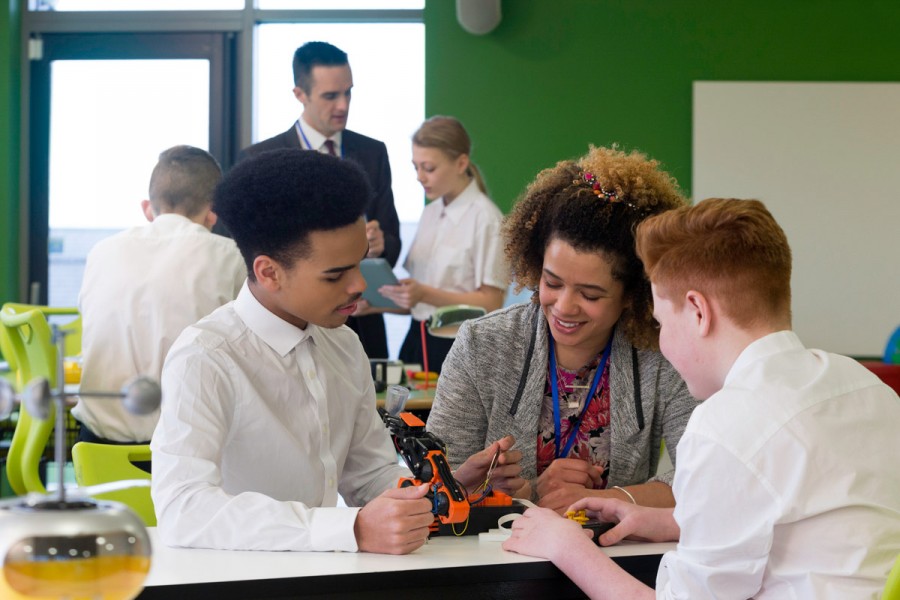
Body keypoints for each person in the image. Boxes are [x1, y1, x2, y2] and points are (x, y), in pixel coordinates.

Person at [502, 198, 900, 598]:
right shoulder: (865, 386)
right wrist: (667, 520)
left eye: (660, 322)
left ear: (697, 311)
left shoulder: (725, 426)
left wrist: (564, 546)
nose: (661, 340)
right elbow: (807, 519)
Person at [151, 148, 521, 553]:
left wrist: (440, 488)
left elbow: (369, 477)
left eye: (360, 263)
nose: (359, 285)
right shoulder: (206, 356)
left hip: (326, 578)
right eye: (335, 275)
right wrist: (350, 530)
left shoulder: (343, 344)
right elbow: (182, 509)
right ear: (268, 272)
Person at [426, 146, 699, 513]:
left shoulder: (663, 355)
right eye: (552, 282)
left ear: (633, 294)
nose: (564, 307)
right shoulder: (482, 344)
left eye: (590, 294)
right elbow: (436, 482)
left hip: (614, 557)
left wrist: (603, 500)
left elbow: (700, 477)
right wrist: (516, 496)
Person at [239, 41, 400, 360]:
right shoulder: (260, 160)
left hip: (361, 327)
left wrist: (380, 245)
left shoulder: (373, 152)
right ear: (300, 94)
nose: (343, 104)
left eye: (348, 92)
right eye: (330, 96)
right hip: (288, 330)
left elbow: (394, 242)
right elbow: (248, 255)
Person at [76, 145, 245, 445]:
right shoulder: (229, 257)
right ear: (214, 213)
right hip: (187, 451)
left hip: (95, 447)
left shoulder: (101, 252)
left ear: (147, 208)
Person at [375, 116, 507, 373]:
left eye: (429, 168)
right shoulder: (430, 213)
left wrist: (425, 294)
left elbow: (491, 303)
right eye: (415, 167)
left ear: (461, 163)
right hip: (416, 340)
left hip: (458, 347)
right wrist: (374, 304)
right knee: (403, 414)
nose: (419, 177)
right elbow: (419, 302)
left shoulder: (487, 219)